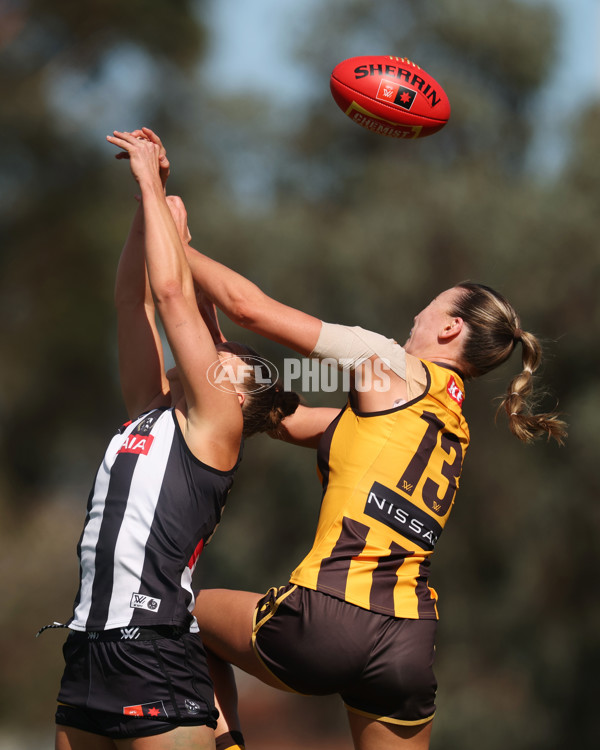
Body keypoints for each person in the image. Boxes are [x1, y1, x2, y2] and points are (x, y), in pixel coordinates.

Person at [178, 245, 567, 749]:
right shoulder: (450, 426)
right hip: (407, 642)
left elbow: (250, 306)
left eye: (430, 306)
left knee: (181, 609)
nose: (415, 315)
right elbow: (278, 418)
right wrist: (215, 338)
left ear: (450, 328)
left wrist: (173, 243)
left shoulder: (388, 363)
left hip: (326, 617)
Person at [47, 129, 298, 750]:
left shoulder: (218, 426)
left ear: (240, 398)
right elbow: (134, 305)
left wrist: (153, 185)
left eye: (232, 355)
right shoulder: (150, 411)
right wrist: (142, 211)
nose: (218, 348)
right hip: (87, 649)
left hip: (155, 653)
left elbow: (171, 295)